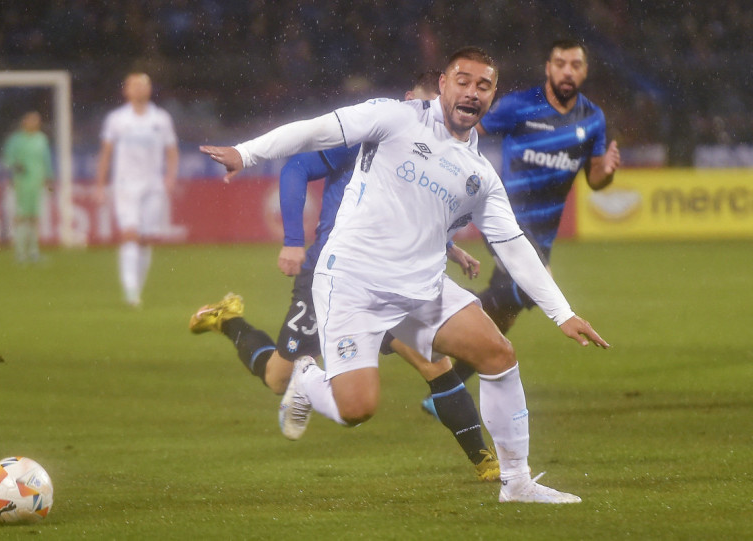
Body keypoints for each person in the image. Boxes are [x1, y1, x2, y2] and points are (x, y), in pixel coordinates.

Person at [200, 46, 609, 504]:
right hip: (352, 284)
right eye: (463, 80)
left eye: (484, 86)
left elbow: (512, 244)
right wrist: (246, 153)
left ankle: (517, 484)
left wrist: (562, 313)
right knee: (357, 410)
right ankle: (306, 379)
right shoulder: (394, 118)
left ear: (493, 97)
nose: (472, 92)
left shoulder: (480, 175)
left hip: (421, 291)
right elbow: (315, 132)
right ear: (443, 85)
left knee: (498, 354)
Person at [190, 72, 501, 482]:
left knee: (434, 363)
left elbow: (413, 217)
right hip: (336, 275)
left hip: (392, 282)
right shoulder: (369, 134)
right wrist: (293, 241)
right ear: (412, 100)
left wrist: (449, 248)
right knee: (279, 377)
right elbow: (295, 169)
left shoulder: (434, 153)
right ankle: (229, 320)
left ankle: (486, 462)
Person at [419, 38, 622, 415]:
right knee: (525, 289)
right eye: (560, 63)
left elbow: (594, 180)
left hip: (544, 232)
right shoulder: (518, 106)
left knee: (509, 307)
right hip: (505, 220)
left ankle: (446, 381)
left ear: (585, 70)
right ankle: (437, 330)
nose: (567, 71)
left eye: (575, 64)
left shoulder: (592, 118)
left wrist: (606, 173)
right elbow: (463, 128)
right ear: (548, 67)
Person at [94, 73, 179, 307]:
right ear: (126, 90)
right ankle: (130, 291)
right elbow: (106, 153)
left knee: (145, 239)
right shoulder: (117, 119)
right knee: (129, 234)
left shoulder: (161, 119)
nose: (140, 89)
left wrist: (170, 178)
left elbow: (172, 151)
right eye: (135, 85)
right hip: (125, 184)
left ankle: (136, 288)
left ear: (150, 89)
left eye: (144, 85)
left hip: (153, 185)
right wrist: (100, 185)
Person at [2, 111, 54, 263]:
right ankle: (20, 253)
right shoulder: (16, 140)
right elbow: (8, 159)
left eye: (36, 121)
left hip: (37, 183)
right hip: (21, 184)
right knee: (21, 217)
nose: (34, 124)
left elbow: (47, 161)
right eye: (31, 121)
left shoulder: (41, 139)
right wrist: (16, 167)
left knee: (34, 218)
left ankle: (33, 252)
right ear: (24, 122)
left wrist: (49, 179)